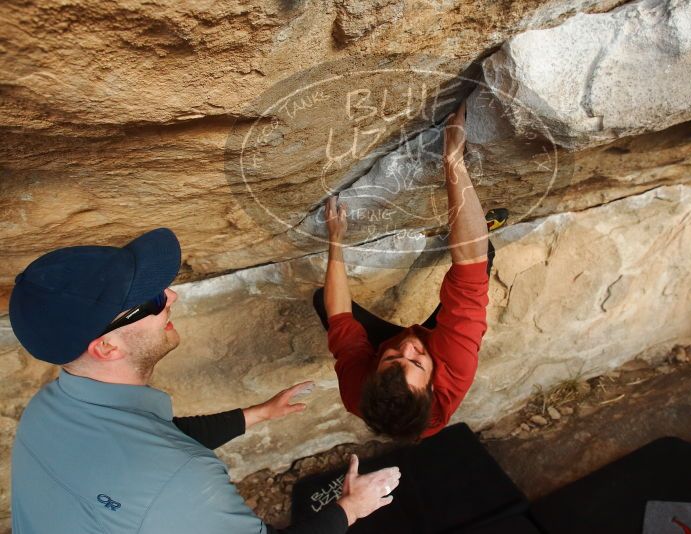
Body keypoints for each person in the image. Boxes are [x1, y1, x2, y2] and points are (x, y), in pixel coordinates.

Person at [9, 227, 400, 533]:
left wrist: (259, 414)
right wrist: (350, 507)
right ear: (107, 347)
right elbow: (166, 466)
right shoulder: (183, 483)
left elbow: (157, 439)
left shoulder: (47, 413)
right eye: (152, 301)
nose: (172, 297)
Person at [314, 101, 501, 440]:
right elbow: (469, 265)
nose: (409, 346)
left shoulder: (357, 389)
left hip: (405, 366)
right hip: (441, 351)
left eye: (392, 358)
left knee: (322, 301)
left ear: (373, 372)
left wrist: (336, 239)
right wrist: (452, 157)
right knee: (481, 253)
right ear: (431, 384)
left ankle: (468, 226)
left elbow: (340, 315)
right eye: (415, 363)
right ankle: (477, 224)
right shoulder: (455, 365)